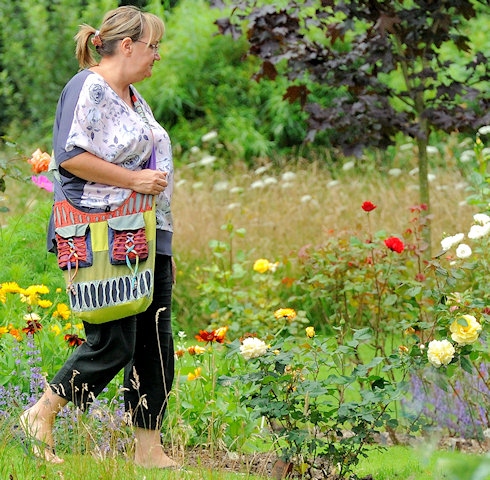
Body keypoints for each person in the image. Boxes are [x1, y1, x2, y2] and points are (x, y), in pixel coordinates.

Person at [18, 6, 178, 469]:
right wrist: (132, 182)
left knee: (154, 343)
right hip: (100, 235)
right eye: (153, 47)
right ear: (127, 46)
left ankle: (149, 451)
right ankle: (41, 413)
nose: (157, 56)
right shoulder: (88, 86)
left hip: (147, 234)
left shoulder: (133, 98)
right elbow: (69, 155)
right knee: (113, 342)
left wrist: (165, 245)